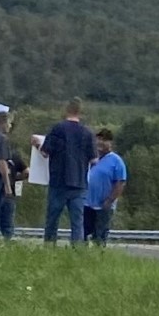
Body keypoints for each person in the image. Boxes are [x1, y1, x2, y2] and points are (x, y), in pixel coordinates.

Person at [33, 98, 96, 245]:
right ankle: (77, 249)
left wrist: (37, 145)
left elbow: (45, 153)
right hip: (79, 183)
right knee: (77, 222)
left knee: (52, 219)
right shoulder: (87, 133)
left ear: (66, 109)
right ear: (80, 112)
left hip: (58, 182)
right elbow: (94, 160)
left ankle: (50, 247)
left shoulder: (57, 129)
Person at [84, 128, 127, 246]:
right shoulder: (91, 158)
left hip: (104, 205)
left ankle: (99, 254)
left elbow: (120, 183)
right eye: (98, 139)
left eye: (104, 140)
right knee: (83, 234)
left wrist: (109, 200)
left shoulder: (116, 161)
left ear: (110, 143)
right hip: (87, 203)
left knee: (99, 236)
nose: (100, 142)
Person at [1, 152, 28, 240]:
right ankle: (7, 242)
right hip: (10, 194)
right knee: (8, 224)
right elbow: (27, 172)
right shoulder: (14, 156)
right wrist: (15, 178)